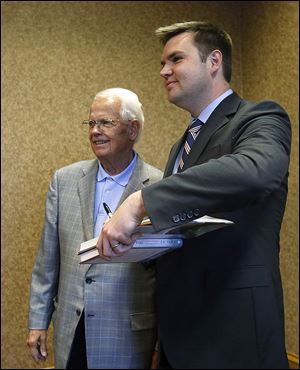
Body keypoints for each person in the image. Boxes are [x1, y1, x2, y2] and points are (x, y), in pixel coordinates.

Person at [96, 22, 291, 369]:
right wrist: (143, 242)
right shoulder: (181, 145)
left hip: (233, 336)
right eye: (162, 63)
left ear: (213, 61)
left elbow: (254, 171)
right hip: (179, 337)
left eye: (175, 59)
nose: (163, 71)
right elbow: (189, 230)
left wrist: (140, 202)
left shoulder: (260, 117)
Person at [27, 87, 163, 369]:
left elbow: (167, 274)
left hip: (130, 337)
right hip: (71, 330)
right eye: (91, 123)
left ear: (132, 129)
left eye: (106, 123)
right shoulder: (64, 181)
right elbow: (47, 261)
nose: (95, 131)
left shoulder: (161, 187)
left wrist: (162, 344)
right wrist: (38, 322)